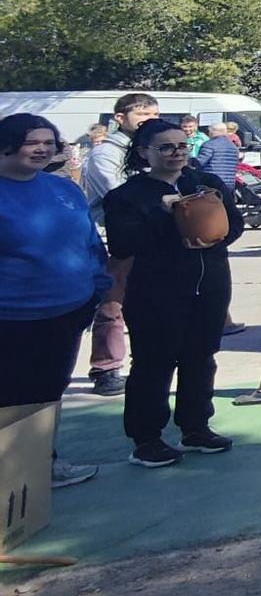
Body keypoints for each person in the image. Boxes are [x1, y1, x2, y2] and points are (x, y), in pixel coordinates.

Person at [101, 117, 245, 469]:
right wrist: (163, 214)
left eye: (182, 145)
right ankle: (146, 438)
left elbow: (234, 227)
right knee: (154, 363)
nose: (177, 153)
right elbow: (121, 244)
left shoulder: (204, 183)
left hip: (209, 283)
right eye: (166, 147)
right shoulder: (127, 196)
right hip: (156, 291)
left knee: (201, 357)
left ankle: (195, 427)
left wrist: (209, 223)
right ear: (144, 152)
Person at [0, 114, 110, 488]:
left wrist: (96, 287)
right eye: (33, 142)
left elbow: (90, 243)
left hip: (66, 312)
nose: (43, 149)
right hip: (11, 318)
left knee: (48, 391)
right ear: (7, 145)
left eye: (50, 142)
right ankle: (15, 475)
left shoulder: (64, 189)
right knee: (12, 396)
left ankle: (43, 463)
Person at [81, 90, 158, 396]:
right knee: (112, 306)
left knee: (148, 303)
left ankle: (147, 360)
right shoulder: (106, 154)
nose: (149, 121)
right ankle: (106, 368)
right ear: (120, 118)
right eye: (142, 115)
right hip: (114, 239)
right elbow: (121, 195)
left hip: (150, 237)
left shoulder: (150, 148)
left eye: (153, 115)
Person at [195, 118, 241, 186]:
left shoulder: (209, 145)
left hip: (211, 182)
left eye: (209, 131)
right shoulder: (233, 147)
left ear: (212, 132)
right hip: (229, 183)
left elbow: (199, 163)